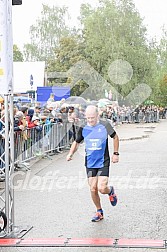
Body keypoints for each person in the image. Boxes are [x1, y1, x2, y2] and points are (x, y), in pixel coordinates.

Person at [66, 105, 119, 222]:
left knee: (101, 188)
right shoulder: (84, 127)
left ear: (97, 116)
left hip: (103, 161)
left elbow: (115, 137)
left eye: (92, 118)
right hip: (90, 162)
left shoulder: (105, 125)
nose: (90, 120)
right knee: (93, 189)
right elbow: (77, 141)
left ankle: (110, 190)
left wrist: (116, 153)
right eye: (88, 118)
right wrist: (70, 153)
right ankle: (99, 211)